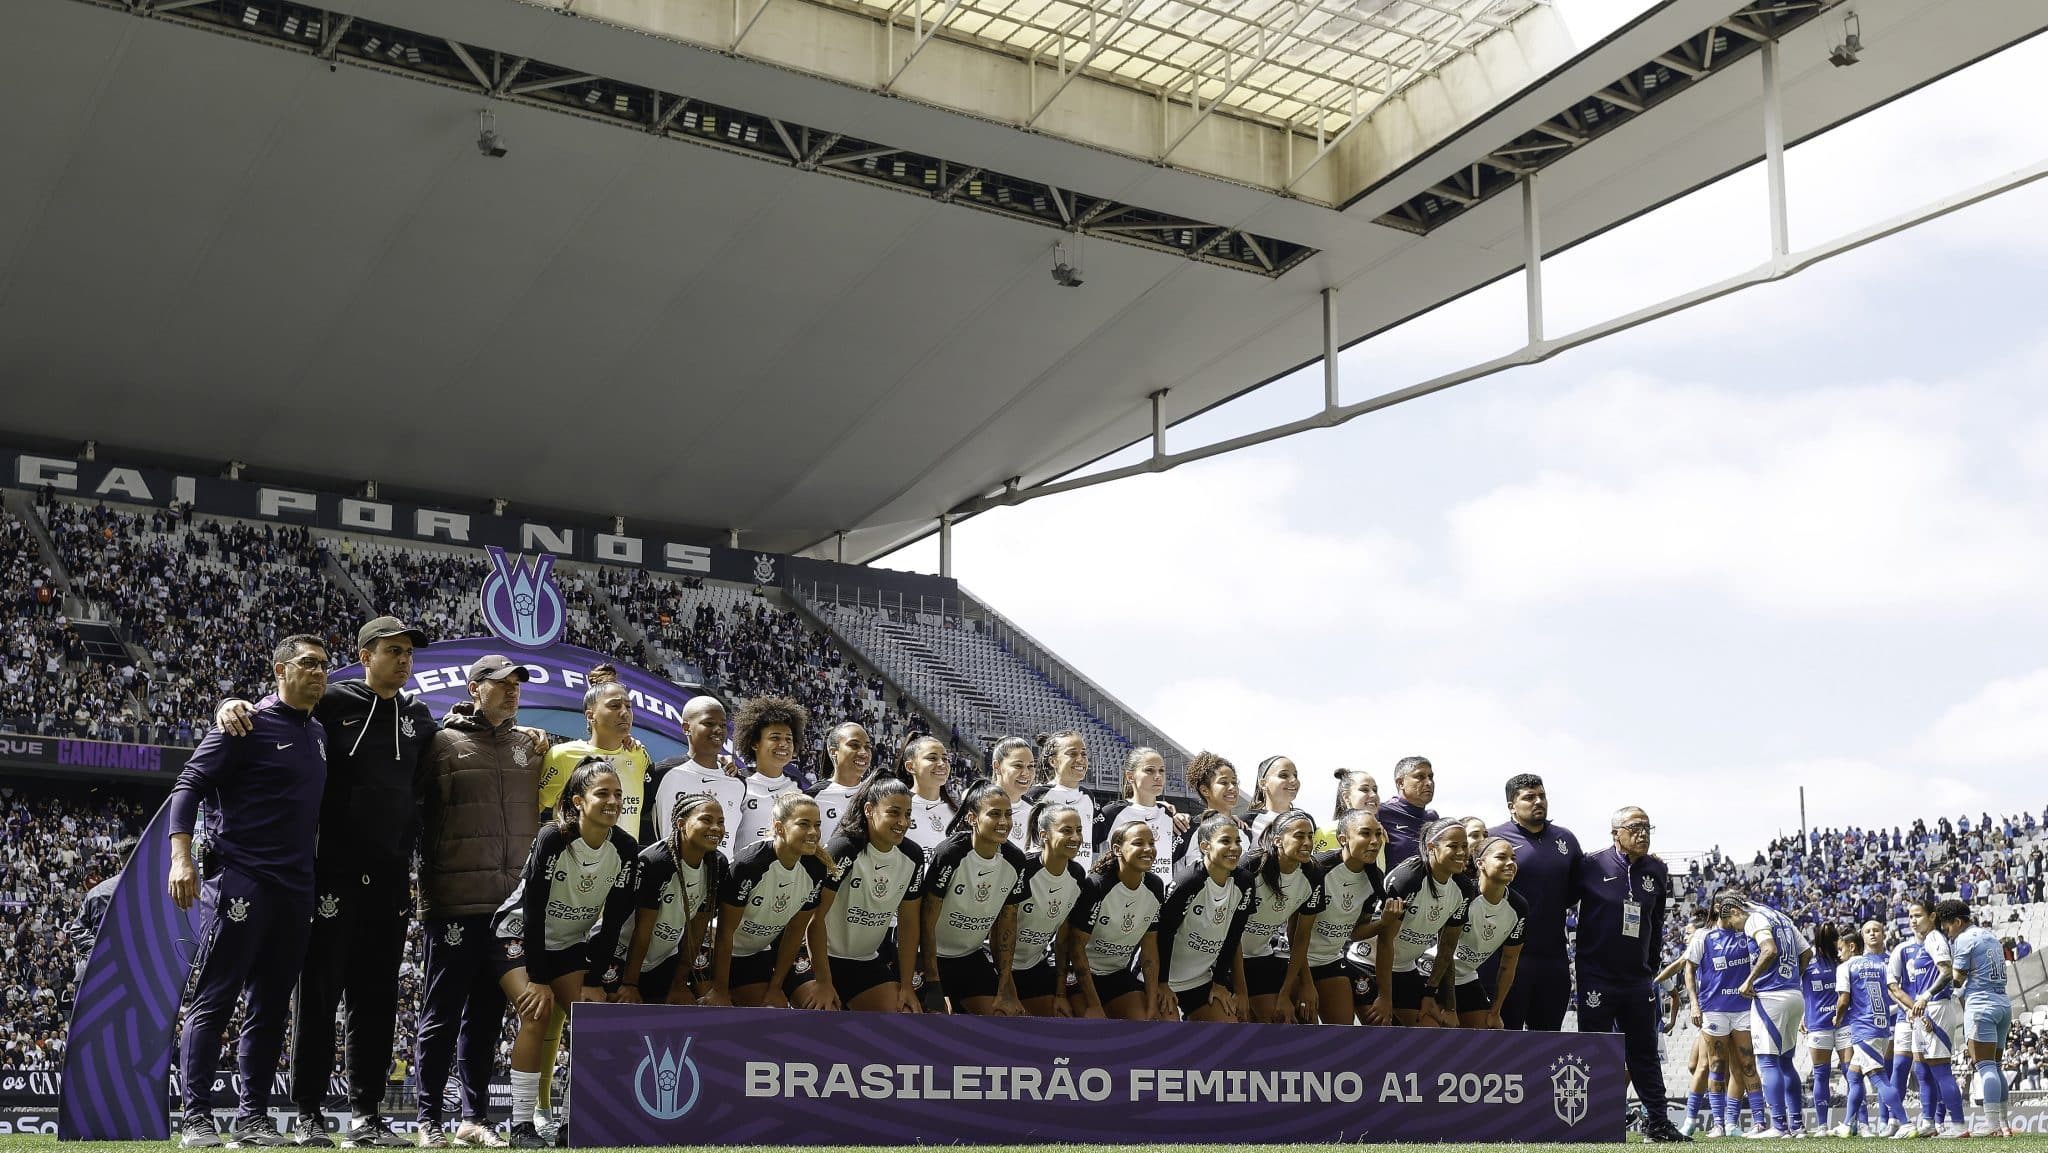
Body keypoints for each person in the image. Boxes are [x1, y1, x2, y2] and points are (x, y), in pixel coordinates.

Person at [213, 616, 435, 1149]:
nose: (404, 660)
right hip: (330, 873)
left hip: (389, 879)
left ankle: (367, 1116)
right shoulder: (333, 701)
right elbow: (279, 710)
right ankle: (309, 1111)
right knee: (318, 994)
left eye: (409, 652)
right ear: (365, 655)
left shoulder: (420, 716)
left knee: (376, 999)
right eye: (393, 651)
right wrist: (231, 705)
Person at [167, 633, 331, 1149]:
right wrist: (181, 857)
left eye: (325, 665)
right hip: (241, 878)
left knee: (271, 1006)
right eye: (308, 664)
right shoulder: (243, 724)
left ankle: (253, 1119)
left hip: (296, 887)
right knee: (214, 1000)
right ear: (280, 670)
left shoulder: (319, 732)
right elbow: (187, 784)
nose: (320, 672)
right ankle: (195, 1118)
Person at [413, 654, 546, 1150]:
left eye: (517, 685)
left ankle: (475, 1117)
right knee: (441, 1013)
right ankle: (428, 1119)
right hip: (455, 904)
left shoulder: (528, 746)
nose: (512, 692)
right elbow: (413, 814)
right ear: (474, 688)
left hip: (509, 909)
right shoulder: (441, 743)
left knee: (488, 1018)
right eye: (501, 684)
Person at [492, 759, 639, 1148]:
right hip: (520, 935)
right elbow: (536, 911)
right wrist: (538, 979)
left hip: (570, 942)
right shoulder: (552, 838)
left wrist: (593, 982)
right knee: (536, 1013)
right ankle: (521, 1126)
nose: (613, 801)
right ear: (578, 800)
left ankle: (571, 1123)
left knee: (591, 1017)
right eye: (602, 793)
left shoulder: (625, 848)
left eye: (618, 795)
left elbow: (613, 923)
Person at [530, 679, 652, 1128]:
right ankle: (541, 1110)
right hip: (569, 895)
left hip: (619, 897)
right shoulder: (562, 757)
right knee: (554, 1012)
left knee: (600, 1002)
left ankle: (592, 1109)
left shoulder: (639, 756)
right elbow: (538, 811)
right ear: (590, 714)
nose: (625, 713)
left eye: (630, 705)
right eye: (615, 704)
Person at [1574, 806, 1688, 1142]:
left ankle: (1657, 1122)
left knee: (1645, 1051)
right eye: (1634, 827)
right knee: (1595, 1049)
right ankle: (1594, 1121)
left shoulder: (1656, 869)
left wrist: (1650, 967)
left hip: (1638, 978)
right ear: (1615, 833)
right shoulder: (1590, 865)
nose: (1642, 833)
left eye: (1647, 826)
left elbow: (1657, 924)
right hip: (1596, 975)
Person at [794, 777, 927, 1012]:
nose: (903, 822)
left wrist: (906, 985)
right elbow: (815, 918)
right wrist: (824, 982)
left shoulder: (912, 856)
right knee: (823, 1013)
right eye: (894, 813)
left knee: (904, 1014)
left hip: (864, 960)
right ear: (869, 810)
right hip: (817, 957)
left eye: (907, 814)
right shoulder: (844, 848)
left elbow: (908, 923)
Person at [706, 793, 829, 1007]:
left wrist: (775, 987)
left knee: (776, 1010)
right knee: (717, 1009)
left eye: (817, 825)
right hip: (715, 951)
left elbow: (795, 931)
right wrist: (719, 990)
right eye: (804, 824)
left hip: (756, 953)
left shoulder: (815, 867)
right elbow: (725, 934)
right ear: (779, 827)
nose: (813, 832)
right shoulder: (750, 865)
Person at [919, 782, 1029, 1015]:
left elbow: (1007, 924)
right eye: (994, 814)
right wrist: (933, 982)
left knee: (1000, 1018)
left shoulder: (1015, 860)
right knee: (933, 1019)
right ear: (972, 818)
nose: (1003, 822)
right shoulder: (950, 853)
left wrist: (1005, 983)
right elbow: (926, 922)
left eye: (1008, 814)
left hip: (969, 957)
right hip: (928, 956)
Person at [1488, 772, 1582, 1031]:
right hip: (1506, 956)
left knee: (1548, 1038)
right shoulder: (1494, 839)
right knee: (1507, 1037)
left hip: (1553, 956)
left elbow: (1576, 890)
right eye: (1529, 797)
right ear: (1511, 805)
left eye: (1541, 795)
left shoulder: (1566, 840)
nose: (1538, 801)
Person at [617, 793, 728, 1005]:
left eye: (720, 822)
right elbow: (642, 930)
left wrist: (679, 982)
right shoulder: (657, 862)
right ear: (681, 823)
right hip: (622, 957)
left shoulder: (717, 865)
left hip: (661, 959)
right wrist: (630, 984)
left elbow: (697, 928)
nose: (716, 828)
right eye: (706, 820)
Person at [1722, 893, 1812, 1137]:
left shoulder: (1754, 919)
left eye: (1733, 924)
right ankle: (1797, 1126)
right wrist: (1792, 978)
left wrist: (1748, 981)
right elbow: (1807, 953)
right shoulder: (1781, 917)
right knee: (1785, 1062)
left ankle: (1779, 1126)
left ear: (1735, 912)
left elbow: (1768, 949)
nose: (1737, 930)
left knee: (1767, 1061)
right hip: (1794, 995)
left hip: (1771, 997)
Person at [1375, 818, 1471, 1028]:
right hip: (1370, 964)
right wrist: (1385, 997)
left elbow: (1447, 947)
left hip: (1405, 969)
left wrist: (1431, 992)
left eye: (1465, 846)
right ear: (1431, 848)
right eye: (1453, 846)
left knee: (1432, 1036)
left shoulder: (1463, 887)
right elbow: (1385, 940)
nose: (1462, 852)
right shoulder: (1410, 878)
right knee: (1385, 1031)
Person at [1067, 821, 1167, 1020]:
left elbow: (1149, 952)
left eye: (1152, 843)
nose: (1148, 849)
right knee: (1095, 1029)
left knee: (1148, 1023)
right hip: (1078, 977)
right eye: (1139, 843)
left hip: (1116, 975)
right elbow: (1076, 950)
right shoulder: (1097, 886)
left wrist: (1151, 1003)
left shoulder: (1155, 886)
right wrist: (1094, 1005)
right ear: (1117, 849)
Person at [1233, 808, 1324, 1024]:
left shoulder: (1313, 873)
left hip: (1260, 957)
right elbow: (1231, 933)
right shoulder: (1250, 867)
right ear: (1278, 840)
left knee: (1283, 1019)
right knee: (1235, 1023)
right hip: (1225, 958)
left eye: (1310, 836)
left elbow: (1300, 936)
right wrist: (1242, 992)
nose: (1307, 843)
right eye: (1299, 836)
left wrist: (1296, 988)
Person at [1306, 808, 1391, 1026]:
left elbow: (1355, 932)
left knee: (1342, 1035)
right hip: (1294, 962)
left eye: (1378, 834)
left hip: (1330, 961)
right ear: (1343, 838)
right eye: (1365, 834)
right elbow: (1294, 930)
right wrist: (1305, 982)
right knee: (1302, 1034)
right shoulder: (1317, 868)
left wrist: (1384, 923)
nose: (1374, 841)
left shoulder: (1375, 877)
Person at [1938, 898, 2013, 1136]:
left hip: (1981, 1006)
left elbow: (1957, 979)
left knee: (1985, 1066)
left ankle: (1991, 1126)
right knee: (1997, 1066)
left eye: (1947, 928)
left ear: (1957, 922)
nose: (1948, 934)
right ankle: (2003, 1125)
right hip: (2003, 1003)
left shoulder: (1963, 939)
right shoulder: (1990, 936)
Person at [1897, 897, 1966, 1137]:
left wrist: (1925, 996)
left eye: (1917, 915)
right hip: (1922, 1011)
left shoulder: (1935, 938)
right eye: (1910, 916)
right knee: (1922, 1070)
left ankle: (1958, 1125)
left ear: (1932, 917)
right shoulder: (1923, 942)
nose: (1912, 921)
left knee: (1940, 1070)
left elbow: (1947, 973)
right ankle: (1928, 1122)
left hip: (1936, 1008)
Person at [1011, 800, 1086, 1017]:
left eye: (1078, 830)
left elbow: (1062, 938)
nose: (1075, 837)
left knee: (1060, 1019)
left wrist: (1061, 993)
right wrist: (1006, 987)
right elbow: (999, 928)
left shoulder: (1077, 875)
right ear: (1044, 835)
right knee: (1006, 1023)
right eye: (1066, 831)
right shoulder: (1023, 869)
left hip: (1034, 964)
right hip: (994, 965)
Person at [1834, 920, 1905, 1137]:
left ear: (1852, 946)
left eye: (1840, 949)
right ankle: (1848, 1124)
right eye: (1868, 931)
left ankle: (1904, 1121)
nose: (1838, 954)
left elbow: (1844, 999)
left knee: (1879, 1077)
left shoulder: (1847, 967)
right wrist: (1912, 1008)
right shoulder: (1880, 966)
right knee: (1854, 1076)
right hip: (1883, 1026)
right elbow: (1896, 992)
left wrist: (1837, 1018)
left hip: (1865, 1028)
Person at [649, 695, 744, 851]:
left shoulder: (737, 781)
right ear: (686, 727)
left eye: (723, 725)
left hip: (720, 874)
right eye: (709, 723)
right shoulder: (662, 773)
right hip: (672, 872)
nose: (719, 730)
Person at [1452, 836, 1526, 1029]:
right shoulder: (1462, 892)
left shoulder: (1518, 907)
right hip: (1431, 972)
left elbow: (1508, 963)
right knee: (1435, 1033)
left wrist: (1495, 1012)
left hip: (1465, 976)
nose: (1510, 863)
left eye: (1514, 858)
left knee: (1491, 1031)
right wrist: (1448, 1007)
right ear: (1480, 863)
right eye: (1501, 857)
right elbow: (1442, 950)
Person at [730, 696, 809, 846]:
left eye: (788, 739)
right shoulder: (738, 782)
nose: (784, 744)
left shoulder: (798, 787)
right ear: (754, 743)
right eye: (775, 738)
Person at [1096, 747, 1176, 879]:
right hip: (1124, 894)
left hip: (1160, 895)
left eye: (1161, 770)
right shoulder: (1114, 812)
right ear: (1130, 776)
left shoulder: (1168, 814)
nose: (1158, 776)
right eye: (1149, 770)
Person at [1800, 922, 1846, 1135]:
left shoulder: (1843, 963)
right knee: (1847, 1074)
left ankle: (1823, 1126)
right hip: (1836, 1024)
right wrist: (1802, 1015)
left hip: (1823, 1025)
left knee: (1824, 1075)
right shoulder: (1840, 964)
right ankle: (1855, 1123)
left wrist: (1802, 1015)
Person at [1024, 732, 1095, 869]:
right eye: (1072, 754)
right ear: (1053, 761)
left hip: (1079, 882)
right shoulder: (1038, 794)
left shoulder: (1088, 796)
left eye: (1084, 754)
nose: (1080, 759)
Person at [1174, 751, 1246, 870]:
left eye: (1234, 782)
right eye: (1223, 782)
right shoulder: (1186, 828)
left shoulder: (1245, 829)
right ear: (1205, 790)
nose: (1233, 788)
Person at [807, 722, 875, 834]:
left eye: (867, 747)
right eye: (854, 745)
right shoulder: (813, 797)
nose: (864, 753)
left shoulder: (876, 794)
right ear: (834, 752)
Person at [900, 735, 961, 857]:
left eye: (945, 759)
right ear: (910, 767)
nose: (942, 764)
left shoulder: (957, 813)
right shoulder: (897, 808)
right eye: (932, 758)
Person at [1378, 756, 1438, 869]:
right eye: (1420, 777)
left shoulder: (1433, 818)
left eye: (1430, 777)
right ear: (1401, 783)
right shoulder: (1382, 812)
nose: (1429, 782)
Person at [985, 736, 1037, 850]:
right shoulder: (978, 807)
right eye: (1018, 765)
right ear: (997, 766)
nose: (1026, 773)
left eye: (1031, 766)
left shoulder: (1036, 814)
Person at [1314, 768, 1379, 854]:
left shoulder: (1381, 833)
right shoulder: (1326, 833)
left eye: (1375, 790)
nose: (1373, 794)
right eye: (1364, 789)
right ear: (1346, 797)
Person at [1244, 756, 1300, 844]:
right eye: (1283, 775)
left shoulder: (1306, 819)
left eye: (1295, 775)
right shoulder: (1247, 821)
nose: (1294, 780)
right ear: (1263, 783)